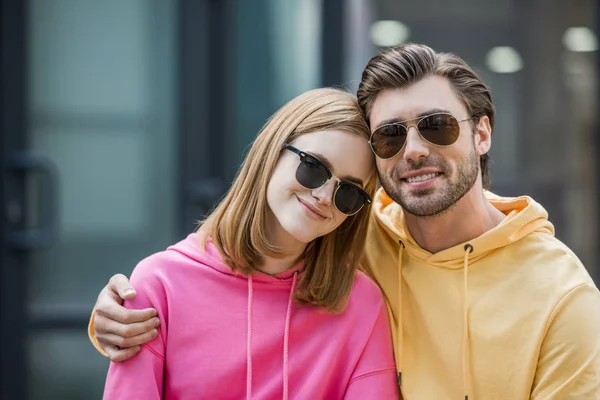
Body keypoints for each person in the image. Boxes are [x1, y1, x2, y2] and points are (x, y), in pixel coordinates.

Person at [90, 44, 600, 399]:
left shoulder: (562, 297)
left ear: (482, 134)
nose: (415, 150)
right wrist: (118, 318)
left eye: (437, 126)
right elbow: (221, 284)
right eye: (390, 136)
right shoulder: (348, 228)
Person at [99, 87, 398, 399]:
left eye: (348, 191)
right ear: (272, 151)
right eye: (314, 167)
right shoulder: (160, 285)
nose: (324, 197)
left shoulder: (360, 303)